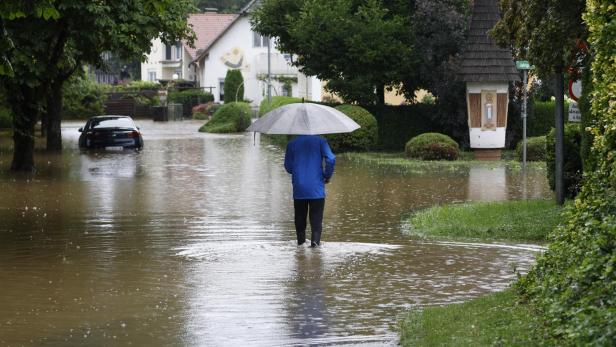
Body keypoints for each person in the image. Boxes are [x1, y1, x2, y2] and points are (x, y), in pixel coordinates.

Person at [284, 135, 336, 247]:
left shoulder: (292, 144)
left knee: (300, 221)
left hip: (299, 188)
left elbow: (288, 167)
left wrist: (299, 170)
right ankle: (315, 249)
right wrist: (327, 175)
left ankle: (300, 247)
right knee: (316, 223)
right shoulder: (321, 141)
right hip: (316, 189)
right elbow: (331, 159)